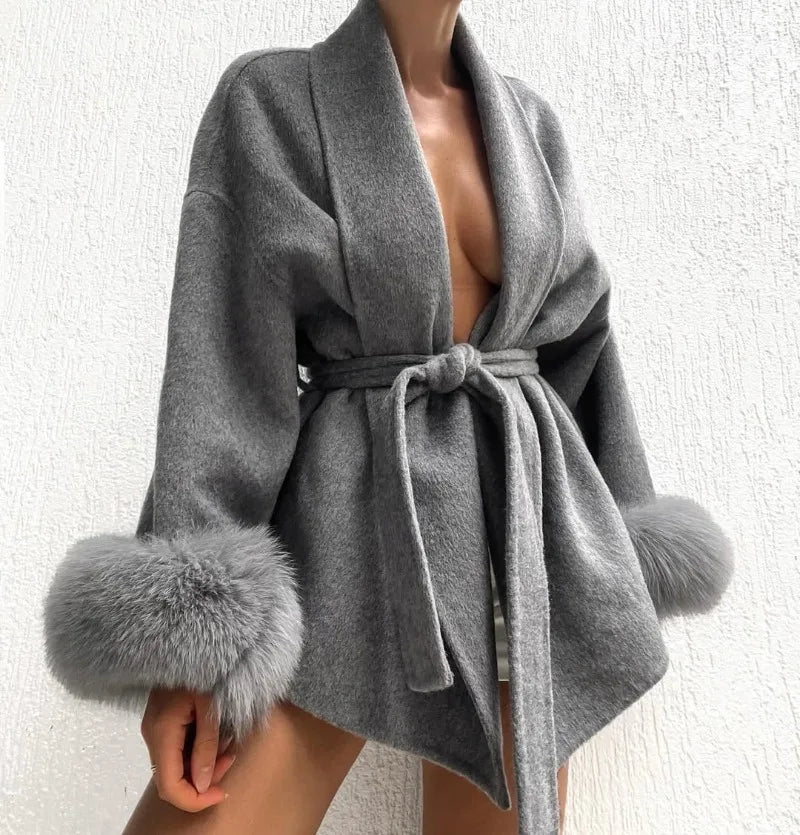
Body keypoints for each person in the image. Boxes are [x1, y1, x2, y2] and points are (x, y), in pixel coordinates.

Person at [42, 0, 735, 833]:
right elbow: (222, 369)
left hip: (519, 539)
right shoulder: (270, 101)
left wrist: (618, 537)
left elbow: (582, 345)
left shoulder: (530, 123)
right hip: (351, 532)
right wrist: (192, 650)